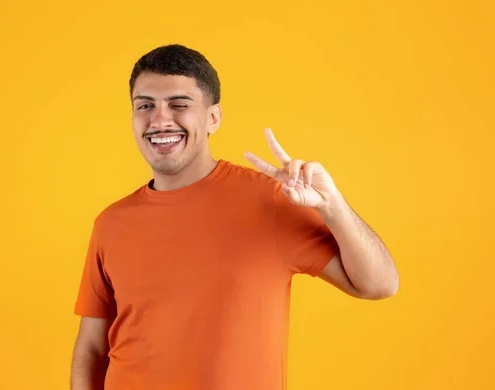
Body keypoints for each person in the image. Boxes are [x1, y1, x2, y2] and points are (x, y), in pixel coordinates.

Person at [70, 44, 399, 390]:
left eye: (179, 105)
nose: (160, 119)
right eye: (145, 106)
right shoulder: (111, 223)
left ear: (213, 118)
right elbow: (92, 348)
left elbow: (379, 285)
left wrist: (332, 206)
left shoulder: (268, 201)